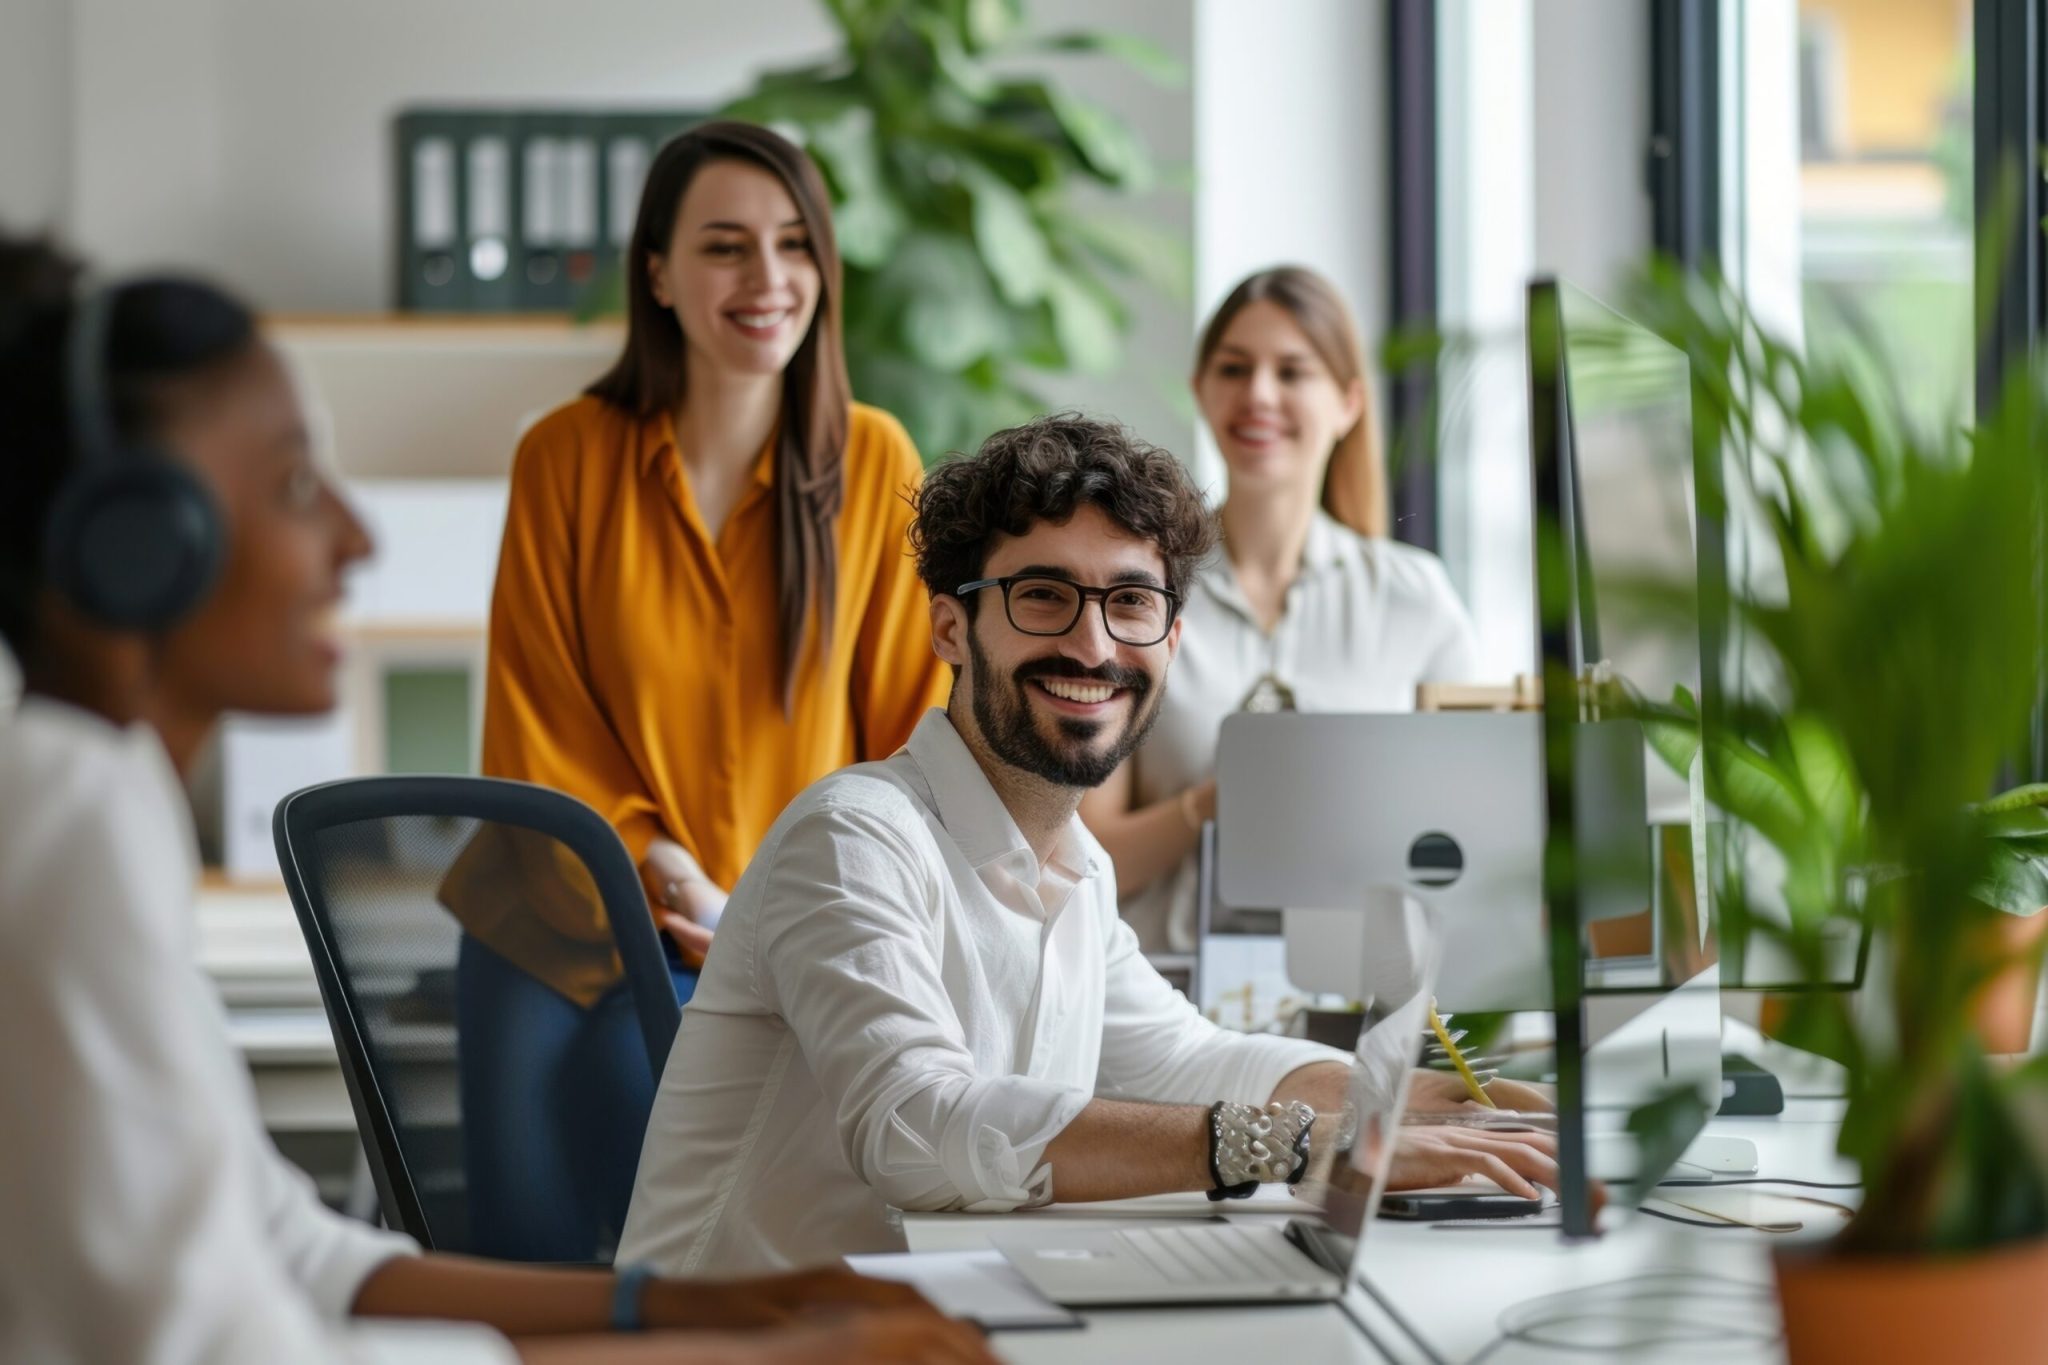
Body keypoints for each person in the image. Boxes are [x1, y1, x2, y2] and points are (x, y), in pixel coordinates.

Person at [0, 236, 995, 1365]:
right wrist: (764, 1361)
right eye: (290, 484)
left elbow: (295, 1254)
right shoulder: (66, 816)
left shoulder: (95, 791)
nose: (355, 536)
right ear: (137, 544)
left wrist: (687, 1309)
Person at [616, 414, 1558, 1275]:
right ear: (952, 625)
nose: (1094, 645)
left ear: (1173, 639)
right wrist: (1301, 1142)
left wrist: (1437, 1106)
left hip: (932, 1321)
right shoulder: (854, 837)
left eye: (1131, 603)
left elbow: (1192, 1061)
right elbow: (917, 1125)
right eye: (1042, 596)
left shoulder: (1075, 871)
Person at [473, 119, 948, 999]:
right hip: (579, 943)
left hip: (806, 950)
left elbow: (913, 738)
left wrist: (787, 909)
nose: (768, 279)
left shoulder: (875, 460)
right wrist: (688, 886)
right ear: (657, 273)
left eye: (795, 245)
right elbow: (541, 732)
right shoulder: (563, 456)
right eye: (726, 248)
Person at [1080, 266, 1485, 955]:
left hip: (1362, 1000)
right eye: (1234, 369)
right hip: (1166, 1004)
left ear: (1349, 402)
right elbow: (1081, 862)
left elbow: (1476, 845)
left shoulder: (1416, 601)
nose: (1259, 394)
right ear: (1201, 391)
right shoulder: (1136, 592)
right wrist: (1207, 806)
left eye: (1292, 372)